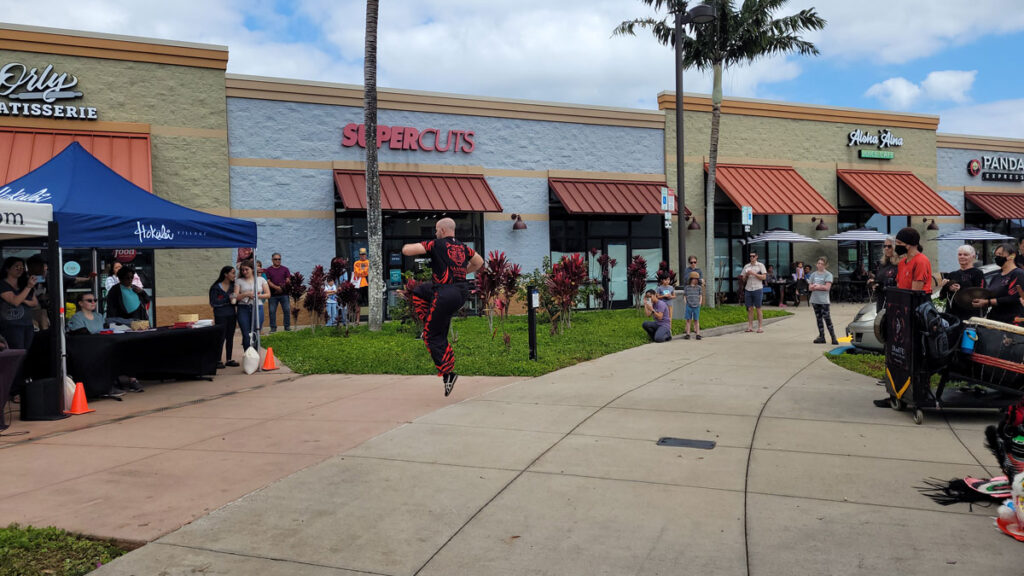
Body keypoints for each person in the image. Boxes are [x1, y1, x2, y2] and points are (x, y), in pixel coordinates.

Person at [402, 218, 484, 397]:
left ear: (443, 230)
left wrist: (404, 246)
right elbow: (479, 262)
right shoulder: (464, 247)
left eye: (437, 230)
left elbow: (408, 250)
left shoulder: (436, 244)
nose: (435, 232)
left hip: (445, 293)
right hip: (460, 292)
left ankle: (448, 373)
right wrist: (462, 272)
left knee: (432, 336)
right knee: (419, 291)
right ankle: (430, 322)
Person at [975, 243, 1024, 324]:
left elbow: (1014, 298)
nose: (997, 257)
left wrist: (988, 302)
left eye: (1000, 254)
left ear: (1012, 256)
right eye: (996, 255)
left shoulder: (1018, 274)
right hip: (994, 319)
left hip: (1012, 321)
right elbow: (989, 294)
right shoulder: (996, 276)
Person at [0, 257, 38, 350]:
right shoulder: (2, 284)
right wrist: (28, 287)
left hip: (27, 324)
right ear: (7, 269)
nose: (20, 270)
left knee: (28, 352)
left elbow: (34, 303)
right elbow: (15, 302)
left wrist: (23, 300)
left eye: (22, 267)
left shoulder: (23, 283)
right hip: (11, 325)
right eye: (17, 267)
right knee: (17, 351)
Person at [939, 244, 985, 322]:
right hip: (952, 316)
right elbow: (941, 297)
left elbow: (980, 294)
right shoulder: (952, 274)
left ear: (973, 257)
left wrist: (961, 289)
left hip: (969, 316)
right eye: (960, 254)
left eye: (965, 255)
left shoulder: (978, 273)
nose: (962, 256)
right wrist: (945, 287)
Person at [235, 260, 270, 351]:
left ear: (252, 269)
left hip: (258, 307)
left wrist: (256, 295)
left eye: (246, 269)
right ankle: (248, 355)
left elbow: (268, 294)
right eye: (242, 270)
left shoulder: (261, 279)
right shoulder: (239, 281)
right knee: (246, 334)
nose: (244, 272)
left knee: (256, 332)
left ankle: (256, 355)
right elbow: (235, 297)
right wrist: (245, 294)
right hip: (243, 308)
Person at [209, 266, 239, 369]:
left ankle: (229, 359)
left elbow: (236, 301)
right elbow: (213, 303)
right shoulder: (216, 287)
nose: (234, 275)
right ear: (225, 274)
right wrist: (228, 299)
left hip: (231, 315)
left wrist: (236, 299)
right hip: (220, 315)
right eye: (233, 273)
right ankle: (218, 360)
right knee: (220, 337)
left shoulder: (233, 286)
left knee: (230, 337)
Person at [808, 256, 838, 345]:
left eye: (822, 264)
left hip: (824, 300)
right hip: (815, 299)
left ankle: (833, 337)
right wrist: (814, 287)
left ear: (825, 265)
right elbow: (810, 287)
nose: (820, 265)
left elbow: (827, 287)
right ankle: (822, 336)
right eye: (818, 263)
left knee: (827, 318)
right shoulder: (813, 275)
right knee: (818, 318)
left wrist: (818, 287)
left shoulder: (828, 275)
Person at [894, 227, 932, 292]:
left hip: (919, 300)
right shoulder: (902, 262)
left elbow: (915, 292)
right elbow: (899, 286)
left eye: (899, 243)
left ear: (909, 245)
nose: (896, 245)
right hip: (904, 300)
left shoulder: (921, 261)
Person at [870, 237, 899, 312]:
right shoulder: (883, 264)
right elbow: (878, 279)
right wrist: (873, 283)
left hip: (893, 302)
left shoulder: (899, 264)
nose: (886, 248)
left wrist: (883, 286)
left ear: (895, 247)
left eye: (889, 246)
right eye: (884, 246)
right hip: (881, 301)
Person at [264, 253, 291, 333]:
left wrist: (283, 287)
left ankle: (287, 327)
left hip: (284, 294)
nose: (277, 261)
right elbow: (268, 281)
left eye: (279, 259)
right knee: (272, 311)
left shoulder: (285, 269)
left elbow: (288, 279)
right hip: (272, 295)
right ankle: (273, 328)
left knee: (286, 310)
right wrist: (277, 288)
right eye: (275, 259)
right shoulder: (268, 270)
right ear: (272, 260)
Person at [741, 251, 767, 333]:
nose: (751, 257)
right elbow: (743, 279)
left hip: (757, 288)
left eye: (753, 256)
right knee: (749, 308)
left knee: (758, 308)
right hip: (748, 288)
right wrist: (746, 275)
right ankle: (750, 326)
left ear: (756, 257)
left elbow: (764, 277)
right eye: (750, 256)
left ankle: (760, 327)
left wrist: (754, 274)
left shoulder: (760, 265)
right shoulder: (746, 266)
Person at [682, 271, 703, 340]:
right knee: (688, 320)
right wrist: (685, 302)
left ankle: (698, 334)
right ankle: (688, 333)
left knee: (696, 320)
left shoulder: (699, 287)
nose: (696, 280)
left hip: (696, 305)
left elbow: (700, 296)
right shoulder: (687, 288)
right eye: (694, 279)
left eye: (697, 279)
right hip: (689, 305)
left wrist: (700, 302)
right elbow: (685, 296)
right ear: (691, 279)